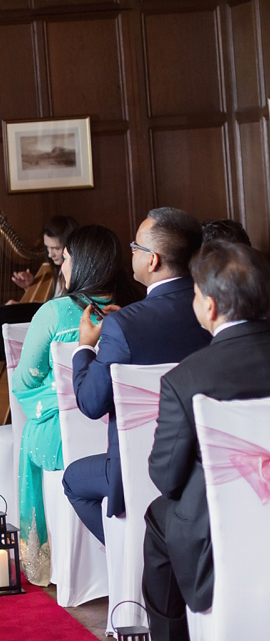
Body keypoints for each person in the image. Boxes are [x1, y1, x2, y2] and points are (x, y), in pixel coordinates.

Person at [143, 241, 270, 641]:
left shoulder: (186, 378)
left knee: (158, 514)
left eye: (195, 292)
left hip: (222, 543)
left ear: (210, 307)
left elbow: (166, 478)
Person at [63, 208, 211, 545]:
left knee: (73, 480)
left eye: (135, 247)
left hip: (138, 467)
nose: (131, 253)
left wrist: (86, 347)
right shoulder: (213, 308)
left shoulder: (123, 325)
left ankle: (127, 555)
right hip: (205, 459)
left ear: (153, 260)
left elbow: (90, 403)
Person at [9, 225, 139, 585]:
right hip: (126, 431)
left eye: (64, 258)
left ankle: (48, 560)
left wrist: (56, 395)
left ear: (80, 264)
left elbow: (24, 381)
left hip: (61, 443)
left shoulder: (54, 314)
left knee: (32, 433)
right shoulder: (136, 307)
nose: (61, 266)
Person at [12, 215, 79, 296]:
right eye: (47, 247)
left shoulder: (78, 276)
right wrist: (30, 286)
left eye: (56, 248)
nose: (50, 255)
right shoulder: (54, 270)